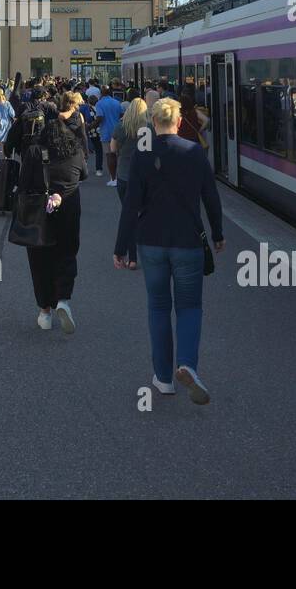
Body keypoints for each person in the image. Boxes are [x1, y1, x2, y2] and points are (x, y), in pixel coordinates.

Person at [114, 97, 225, 406]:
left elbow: (131, 206)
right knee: (189, 307)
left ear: (153, 123)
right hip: (188, 242)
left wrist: (121, 247)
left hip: (150, 242)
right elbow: (211, 198)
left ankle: (163, 379)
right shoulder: (194, 152)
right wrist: (217, 234)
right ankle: (187, 364)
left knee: (159, 307)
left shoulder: (142, 155)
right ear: (178, 122)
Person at [5, 92, 88, 334]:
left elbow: (24, 184)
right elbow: (83, 175)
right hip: (69, 209)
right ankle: (63, 299)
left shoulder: (33, 153)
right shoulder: (74, 151)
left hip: (39, 212)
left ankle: (44, 311)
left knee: (39, 260)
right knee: (67, 253)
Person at [95, 88, 125, 187]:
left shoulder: (99, 104)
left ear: (101, 94)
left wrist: (91, 125)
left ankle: (113, 178)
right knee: (119, 155)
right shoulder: (117, 102)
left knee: (110, 155)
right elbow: (122, 115)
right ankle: (120, 176)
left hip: (106, 132)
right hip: (118, 131)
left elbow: (100, 117)